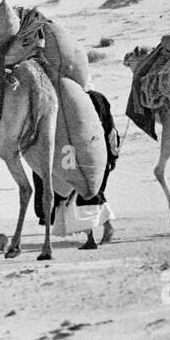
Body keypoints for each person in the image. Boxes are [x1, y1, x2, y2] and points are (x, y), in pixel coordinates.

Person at [32, 87, 121, 248]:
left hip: (73, 156)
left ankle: (93, 237)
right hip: (90, 156)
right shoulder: (96, 97)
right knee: (85, 195)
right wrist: (112, 154)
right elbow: (110, 131)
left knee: (77, 195)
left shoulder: (62, 102)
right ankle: (104, 229)